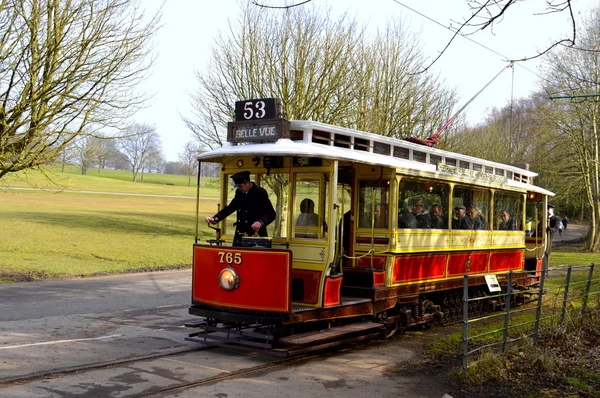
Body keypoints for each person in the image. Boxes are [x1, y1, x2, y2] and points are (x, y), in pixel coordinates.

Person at [205, 171, 276, 245]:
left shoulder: (260, 193)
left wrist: (260, 222)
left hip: (256, 238)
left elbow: (271, 213)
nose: (239, 188)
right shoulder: (239, 193)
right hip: (239, 238)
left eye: (241, 186)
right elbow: (230, 208)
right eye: (238, 187)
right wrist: (215, 218)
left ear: (248, 183)